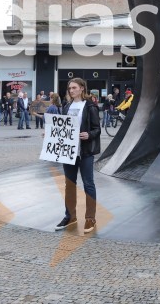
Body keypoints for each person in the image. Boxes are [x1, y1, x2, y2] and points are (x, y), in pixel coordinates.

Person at [54, 78, 101, 233]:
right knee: (69, 185)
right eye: (69, 88)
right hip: (69, 152)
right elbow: (62, 127)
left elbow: (97, 129)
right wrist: (51, 133)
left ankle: (90, 218)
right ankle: (70, 216)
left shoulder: (90, 106)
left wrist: (89, 134)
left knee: (88, 184)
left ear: (82, 88)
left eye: (74, 87)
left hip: (85, 151)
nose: (71, 90)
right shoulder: (66, 106)